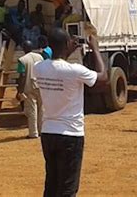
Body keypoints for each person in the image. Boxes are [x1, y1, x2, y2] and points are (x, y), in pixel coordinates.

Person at [33, 28, 108, 196]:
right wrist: (95, 49)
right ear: (67, 44)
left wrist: (66, 50)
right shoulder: (75, 70)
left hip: (48, 132)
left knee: (51, 184)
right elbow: (102, 79)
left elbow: (56, 66)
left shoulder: (38, 67)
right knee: (68, 188)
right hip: (70, 134)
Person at [17, 40, 44, 139]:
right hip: (40, 85)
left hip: (29, 86)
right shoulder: (40, 57)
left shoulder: (22, 60)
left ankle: (33, 133)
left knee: (32, 109)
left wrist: (20, 90)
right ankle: (42, 130)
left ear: (24, 49)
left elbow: (22, 76)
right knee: (41, 108)